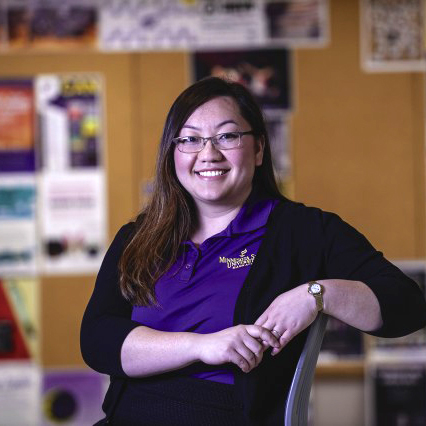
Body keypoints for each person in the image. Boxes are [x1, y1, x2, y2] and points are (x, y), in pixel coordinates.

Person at [80, 77, 426, 426]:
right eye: (190, 139)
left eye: (227, 136)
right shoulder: (138, 237)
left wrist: (317, 294)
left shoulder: (302, 232)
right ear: (172, 153)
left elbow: (407, 305)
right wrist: (202, 346)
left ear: (259, 148)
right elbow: (97, 339)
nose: (208, 154)